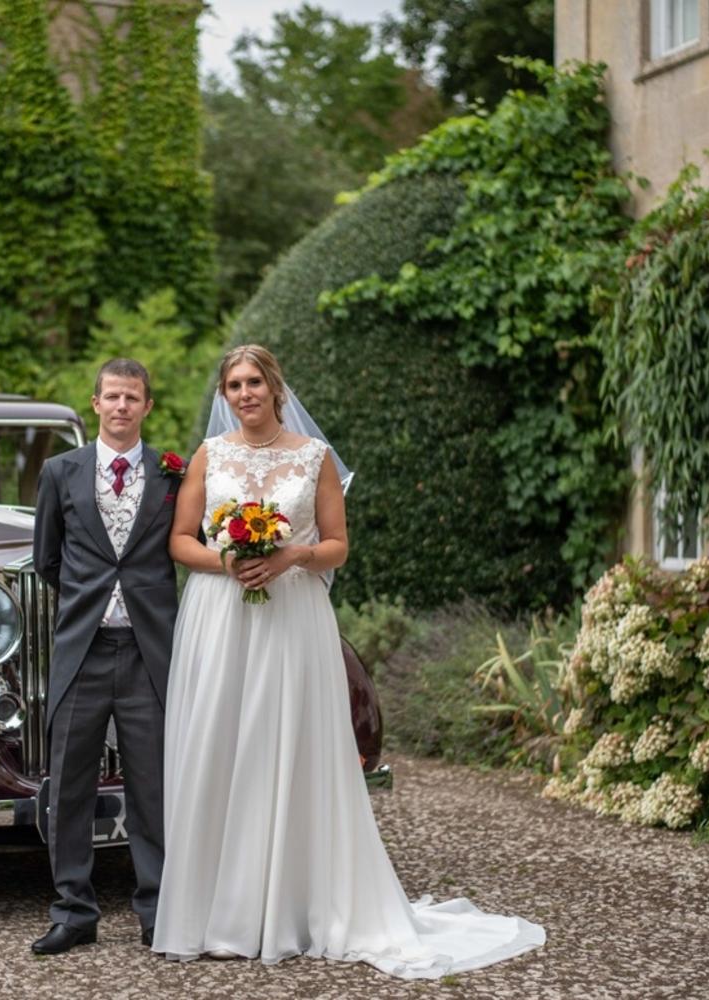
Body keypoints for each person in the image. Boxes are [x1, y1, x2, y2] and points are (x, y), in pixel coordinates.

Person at [152, 344, 545, 978]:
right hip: (219, 618)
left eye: (255, 382)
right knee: (221, 746)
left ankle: (293, 908)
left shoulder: (315, 459)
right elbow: (180, 540)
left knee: (286, 748)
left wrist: (290, 557)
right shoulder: (209, 455)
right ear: (223, 394)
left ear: (277, 389)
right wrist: (229, 562)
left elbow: (337, 546)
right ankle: (215, 916)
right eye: (234, 384)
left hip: (293, 618)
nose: (245, 393)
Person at [30, 358, 180, 955]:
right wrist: (90, 602)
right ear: (95, 403)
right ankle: (72, 911)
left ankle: (158, 909)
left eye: (132, 397)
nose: (121, 406)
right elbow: (48, 560)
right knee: (68, 785)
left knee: (153, 784)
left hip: (149, 651)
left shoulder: (174, 474)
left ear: (147, 406)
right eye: (112, 396)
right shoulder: (58, 472)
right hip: (84, 649)